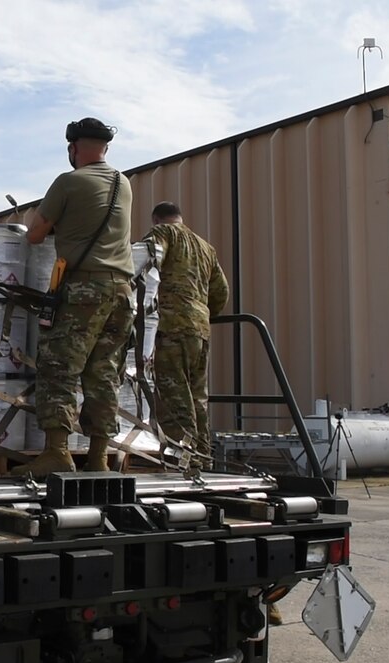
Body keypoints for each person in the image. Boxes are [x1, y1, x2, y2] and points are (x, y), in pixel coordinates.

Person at [13, 117, 135, 476]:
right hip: (122, 292)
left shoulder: (69, 181)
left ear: (74, 148)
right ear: (106, 149)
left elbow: (35, 234)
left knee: (59, 369)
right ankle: (98, 459)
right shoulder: (123, 183)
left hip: (84, 288)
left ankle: (57, 452)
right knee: (104, 374)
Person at [144, 201, 229, 470]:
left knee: (173, 393)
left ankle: (183, 457)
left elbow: (147, 263)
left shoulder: (163, 234)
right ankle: (204, 455)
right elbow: (221, 291)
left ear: (157, 219)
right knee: (197, 396)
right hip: (200, 329)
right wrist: (203, 313)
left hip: (171, 327)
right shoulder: (206, 248)